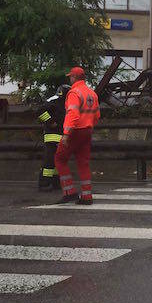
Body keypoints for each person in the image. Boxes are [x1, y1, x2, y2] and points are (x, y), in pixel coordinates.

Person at [54, 67, 100, 204]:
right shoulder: (92, 94)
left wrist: (66, 134)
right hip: (87, 131)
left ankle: (69, 192)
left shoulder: (74, 93)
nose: (69, 79)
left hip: (75, 131)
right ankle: (87, 196)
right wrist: (89, 125)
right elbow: (97, 115)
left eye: (70, 77)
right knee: (83, 163)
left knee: (60, 159)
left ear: (74, 77)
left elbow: (72, 114)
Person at [36, 84, 70, 191]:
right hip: (52, 135)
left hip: (60, 135)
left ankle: (55, 182)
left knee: (57, 160)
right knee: (49, 160)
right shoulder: (54, 100)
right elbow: (40, 112)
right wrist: (50, 122)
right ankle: (44, 183)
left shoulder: (63, 101)